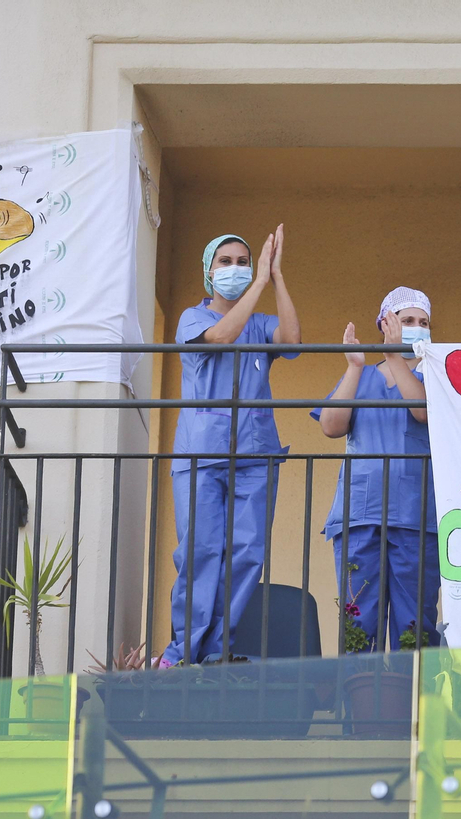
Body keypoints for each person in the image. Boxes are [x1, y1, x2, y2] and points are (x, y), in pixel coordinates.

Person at [166, 227, 300, 666]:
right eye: (226, 261)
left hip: (256, 453)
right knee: (200, 551)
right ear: (208, 271)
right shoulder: (193, 317)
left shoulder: (261, 325)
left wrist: (276, 277)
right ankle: (186, 650)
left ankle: (218, 650)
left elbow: (293, 342)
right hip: (202, 454)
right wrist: (258, 281)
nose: (237, 268)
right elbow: (222, 337)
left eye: (244, 261)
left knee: (247, 553)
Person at [312, 286, 440, 651]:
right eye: (407, 320)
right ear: (386, 323)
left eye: (423, 322)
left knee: (415, 621)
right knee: (358, 618)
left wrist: (395, 358)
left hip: (417, 516)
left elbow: (424, 412)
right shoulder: (363, 375)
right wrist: (354, 367)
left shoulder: (434, 372)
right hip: (360, 515)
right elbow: (331, 426)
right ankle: (360, 704)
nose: (415, 327)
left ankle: (412, 705)